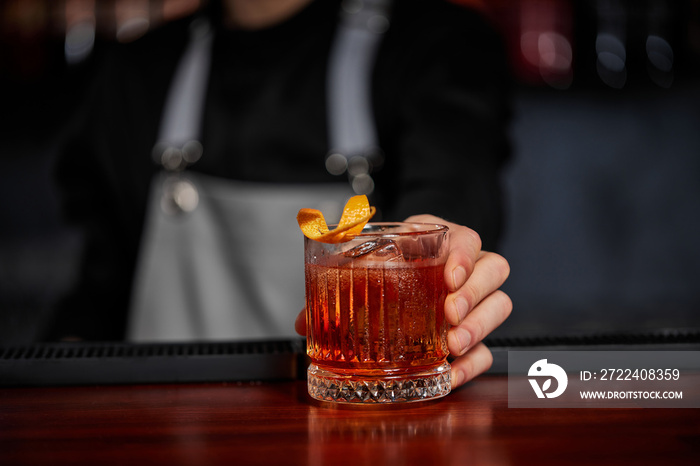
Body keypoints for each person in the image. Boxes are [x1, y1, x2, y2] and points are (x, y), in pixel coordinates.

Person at [45, 0, 513, 389]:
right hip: (164, 425)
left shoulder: (435, 45)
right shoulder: (134, 71)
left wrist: (442, 254)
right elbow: (101, 293)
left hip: (347, 431)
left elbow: (455, 181)